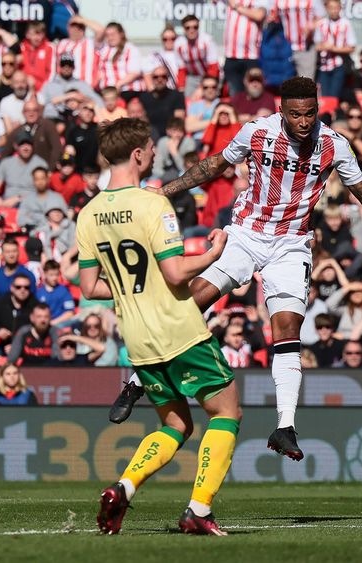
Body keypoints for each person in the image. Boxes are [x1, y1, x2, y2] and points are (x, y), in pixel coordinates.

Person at [135, 78, 362, 463]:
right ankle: (138, 377)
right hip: (245, 234)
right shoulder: (257, 132)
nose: (304, 121)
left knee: (289, 327)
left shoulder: (334, 145)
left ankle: (285, 426)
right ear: (281, 111)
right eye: (295, 114)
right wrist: (168, 190)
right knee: (194, 300)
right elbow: (213, 164)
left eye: (310, 113)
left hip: (291, 244)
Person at [77, 118, 240, 535]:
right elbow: (174, 273)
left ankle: (124, 488)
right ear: (137, 154)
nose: (153, 154)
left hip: (137, 338)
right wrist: (214, 253)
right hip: (178, 327)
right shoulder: (152, 203)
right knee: (226, 411)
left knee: (176, 425)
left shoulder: (89, 213)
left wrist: (133, 293)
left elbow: (91, 286)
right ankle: (198, 512)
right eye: (150, 148)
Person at [222, 0, 269, 96]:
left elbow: (259, 15)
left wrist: (237, 7)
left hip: (251, 56)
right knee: (235, 95)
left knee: (253, 94)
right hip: (231, 56)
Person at [0, 131, 49, 207]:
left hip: (30, 202)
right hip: (6, 201)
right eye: (22, 144)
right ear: (16, 146)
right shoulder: (6, 163)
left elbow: (42, 191)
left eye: (28, 144)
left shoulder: (40, 164)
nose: (26, 148)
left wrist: (19, 198)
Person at [272, 0, 325, 80]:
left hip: (306, 48)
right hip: (285, 49)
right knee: (285, 84)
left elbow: (322, 18)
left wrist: (312, 26)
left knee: (305, 84)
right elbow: (273, 18)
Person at [314, 0, 356, 100]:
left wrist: (334, 49)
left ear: (340, 8)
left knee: (334, 96)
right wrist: (325, 47)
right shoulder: (321, 24)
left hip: (339, 66)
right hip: (323, 66)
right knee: (324, 96)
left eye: (336, 8)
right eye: (331, 8)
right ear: (327, 9)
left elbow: (352, 47)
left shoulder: (346, 24)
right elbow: (316, 46)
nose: (333, 11)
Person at [40, 54, 102, 121]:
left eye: (69, 66)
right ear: (59, 67)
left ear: (74, 67)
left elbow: (99, 103)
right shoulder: (49, 85)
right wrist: (71, 95)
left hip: (77, 122)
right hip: (53, 120)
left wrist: (83, 99)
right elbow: (41, 104)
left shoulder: (82, 84)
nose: (66, 68)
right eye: (63, 65)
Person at [0, 271, 37, 353]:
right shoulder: (1, 303)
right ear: (12, 288)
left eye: (26, 287)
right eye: (18, 287)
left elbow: (39, 332)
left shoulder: (35, 306)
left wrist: (18, 346)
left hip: (27, 347)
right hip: (3, 345)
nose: (22, 290)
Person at [174, 15, 220, 98]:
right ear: (183, 29)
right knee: (185, 98)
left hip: (209, 75)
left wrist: (202, 87)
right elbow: (181, 70)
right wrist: (180, 88)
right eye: (188, 28)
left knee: (210, 96)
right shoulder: (179, 44)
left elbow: (214, 67)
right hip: (192, 77)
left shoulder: (207, 40)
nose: (192, 30)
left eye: (195, 27)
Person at [139, 66, 186, 141]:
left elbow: (179, 120)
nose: (159, 79)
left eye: (163, 76)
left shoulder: (177, 96)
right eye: (156, 77)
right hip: (150, 137)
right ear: (152, 79)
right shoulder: (144, 97)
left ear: (167, 78)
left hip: (171, 137)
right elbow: (142, 120)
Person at [97, 23, 144, 95]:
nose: (110, 38)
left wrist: (118, 84)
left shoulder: (130, 49)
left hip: (128, 90)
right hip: (106, 92)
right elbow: (98, 31)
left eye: (113, 35)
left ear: (121, 34)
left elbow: (135, 72)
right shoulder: (103, 49)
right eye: (107, 35)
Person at [15, 22, 57, 91]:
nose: (37, 38)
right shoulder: (21, 47)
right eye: (34, 34)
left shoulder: (49, 47)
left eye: (40, 34)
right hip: (23, 87)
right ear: (27, 35)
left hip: (43, 89)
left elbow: (51, 72)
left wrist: (42, 87)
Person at [154, 118, 196, 182]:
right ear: (167, 131)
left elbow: (187, 170)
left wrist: (175, 153)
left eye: (180, 131)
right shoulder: (162, 142)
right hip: (165, 175)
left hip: (182, 176)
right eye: (174, 131)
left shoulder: (189, 142)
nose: (177, 134)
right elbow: (157, 167)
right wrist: (164, 177)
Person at [35, 259, 75, 326]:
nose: (54, 278)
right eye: (51, 275)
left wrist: (52, 323)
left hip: (59, 325)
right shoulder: (39, 292)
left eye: (56, 275)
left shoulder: (64, 291)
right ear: (44, 274)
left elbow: (70, 313)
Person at [185, 76, 220, 142]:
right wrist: (214, 121)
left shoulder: (222, 104)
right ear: (202, 89)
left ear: (217, 88)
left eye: (213, 87)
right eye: (206, 87)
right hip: (198, 140)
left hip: (216, 140)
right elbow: (189, 127)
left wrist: (198, 123)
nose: (210, 90)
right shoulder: (195, 105)